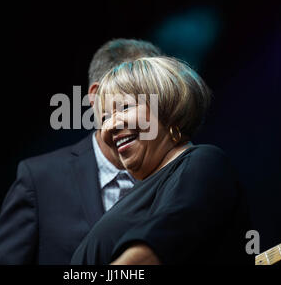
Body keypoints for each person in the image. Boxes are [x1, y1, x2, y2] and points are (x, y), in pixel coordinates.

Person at [0, 39, 163, 264]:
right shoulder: (40, 179)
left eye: (156, 100)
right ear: (97, 98)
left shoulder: (179, 172)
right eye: (134, 101)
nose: (149, 115)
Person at [70, 57, 251, 265]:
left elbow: (154, 251)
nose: (109, 127)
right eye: (104, 118)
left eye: (125, 107)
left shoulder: (204, 161)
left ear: (167, 108)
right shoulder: (139, 195)